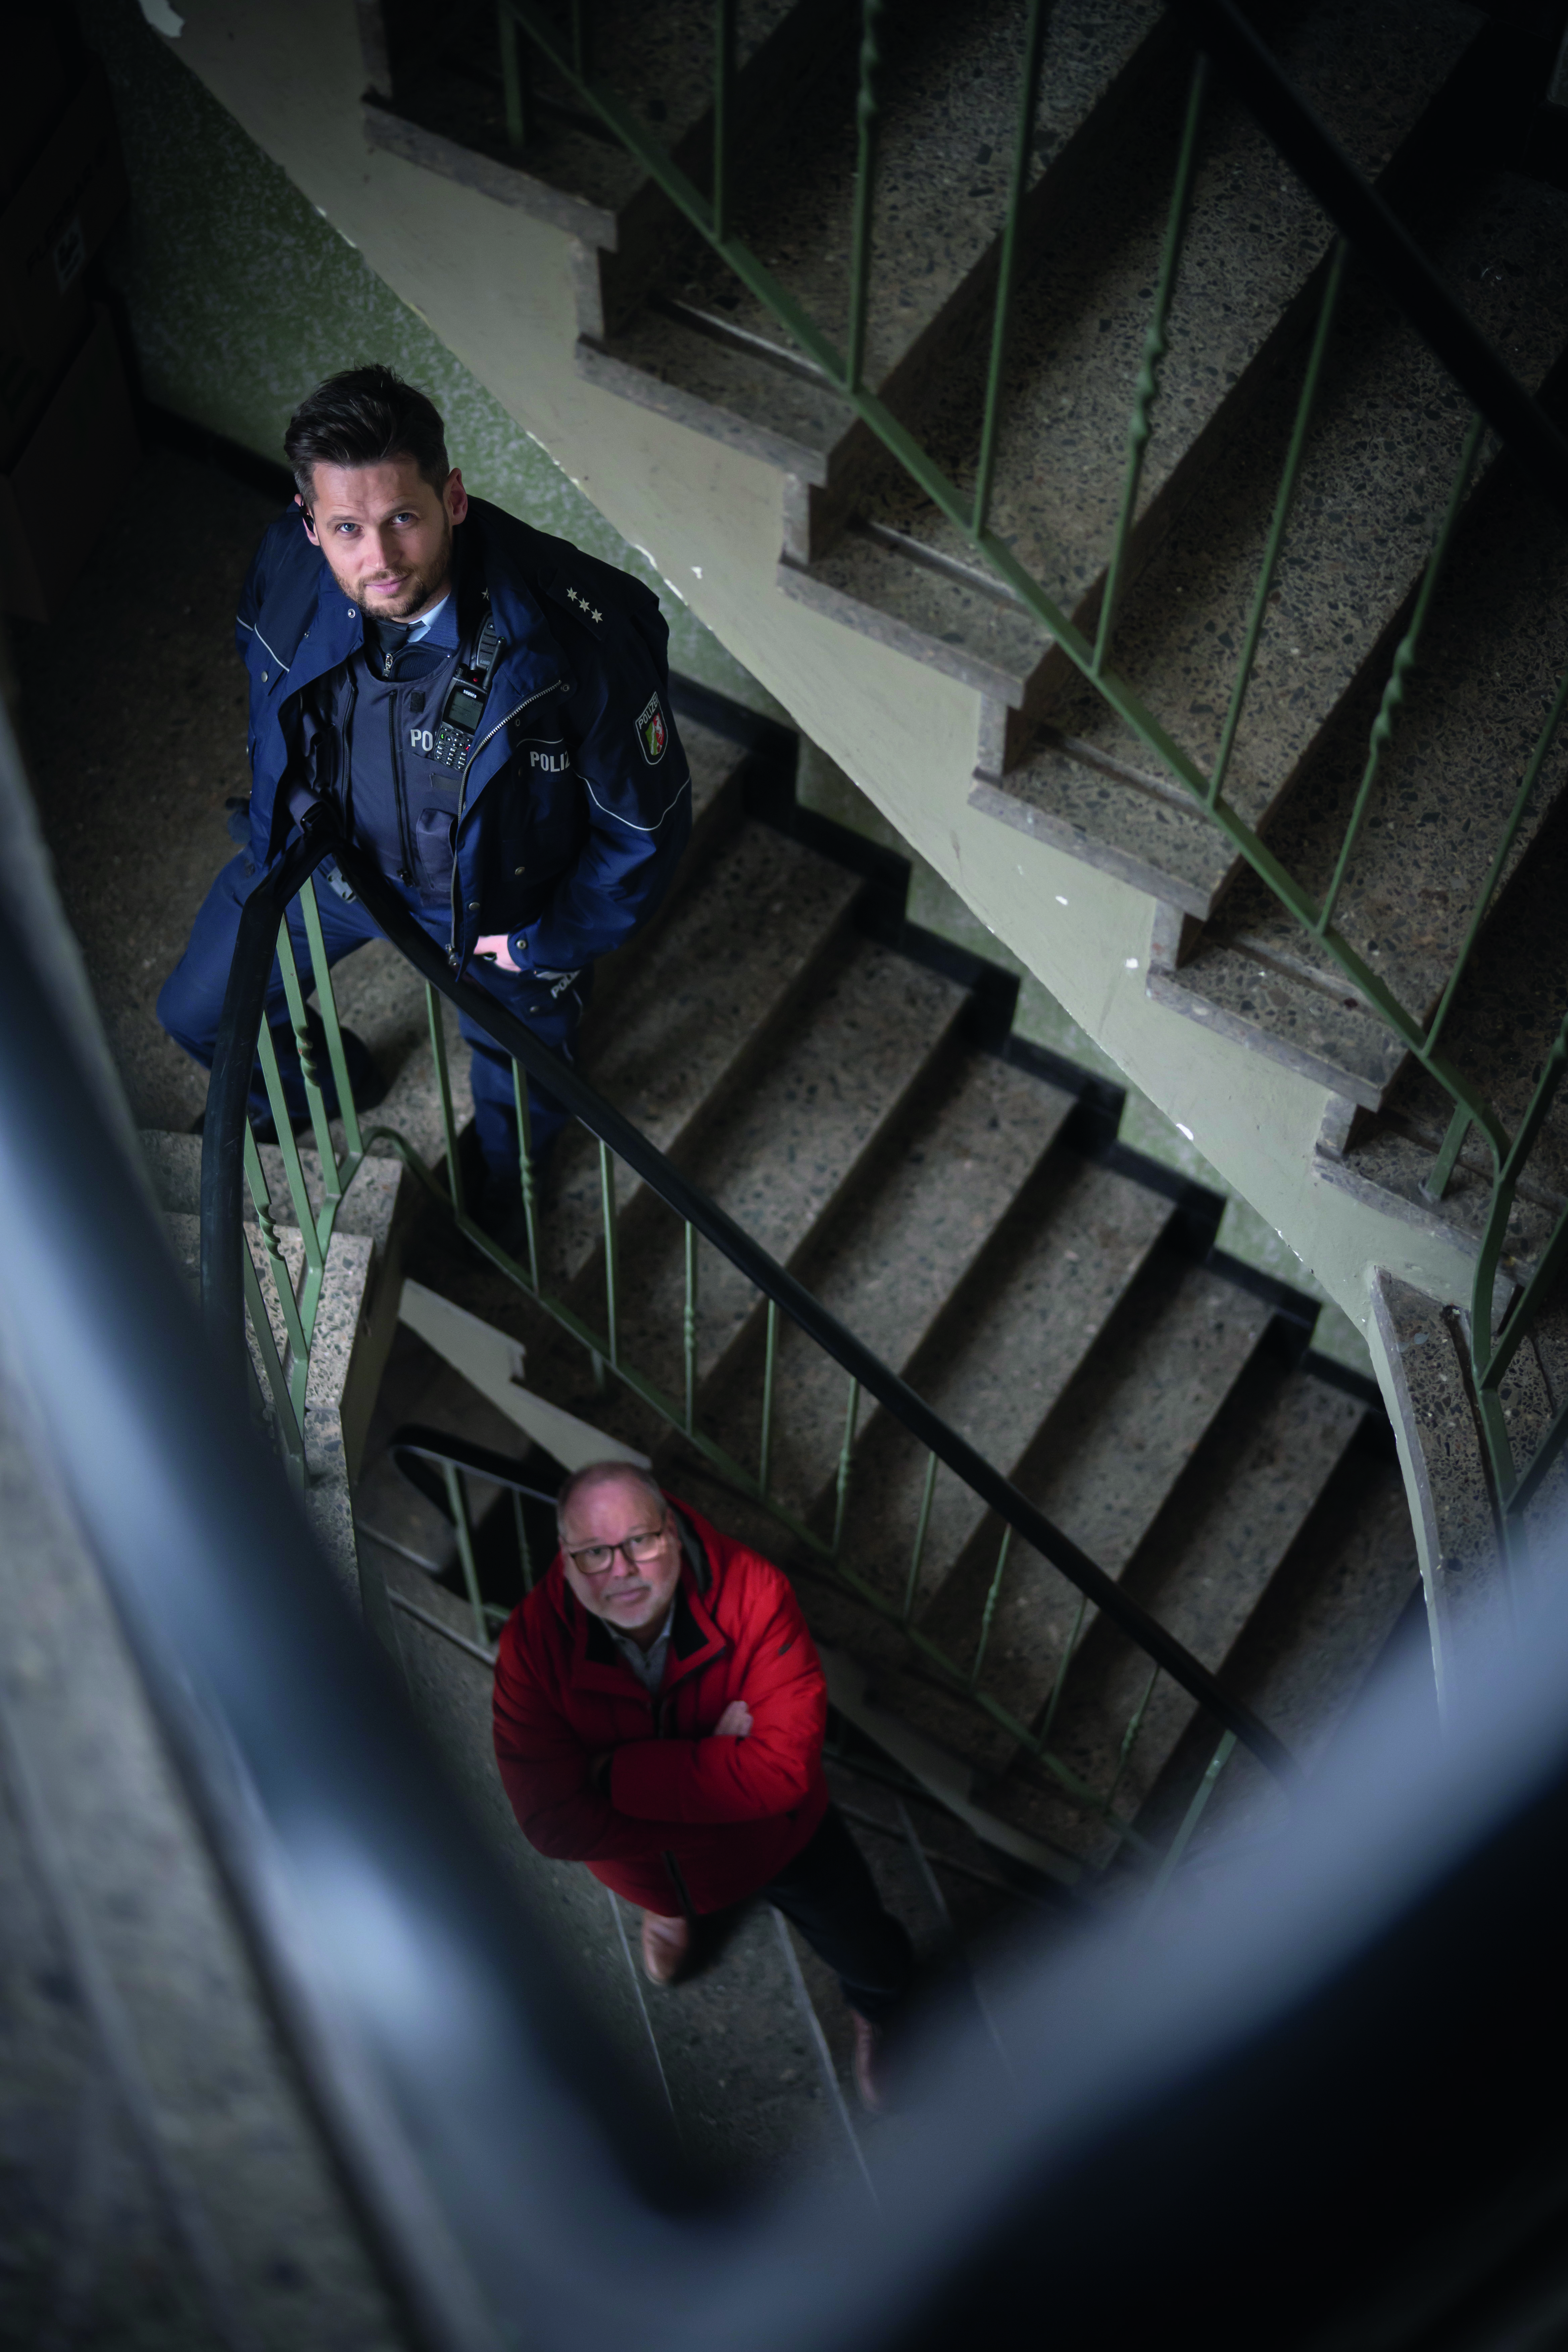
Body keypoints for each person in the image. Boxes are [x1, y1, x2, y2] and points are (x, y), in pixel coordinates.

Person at [157, 365, 692, 1220]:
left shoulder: (579, 642)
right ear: (310, 523)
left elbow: (645, 829)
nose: (378, 559)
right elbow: (270, 699)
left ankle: (504, 1187)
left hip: (492, 921)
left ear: (453, 497)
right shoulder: (289, 564)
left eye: (402, 518)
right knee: (193, 1011)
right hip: (323, 874)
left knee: (525, 1074)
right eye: (346, 528)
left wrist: (540, 944)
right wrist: (276, 831)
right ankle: (310, 1091)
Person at [492, 1461, 914, 2109]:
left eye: (641, 1542)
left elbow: (783, 1774)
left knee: (860, 1937)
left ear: (672, 1531)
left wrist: (612, 1775)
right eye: (595, 1553)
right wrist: (714, 1761)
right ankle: (675, 1906)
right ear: (567, 1556)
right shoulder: (530, 1646)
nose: (623, 1570)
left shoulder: (756, 1594)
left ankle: (883, 2007)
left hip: (783, 1841)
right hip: (666, 1861)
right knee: (674, 1875)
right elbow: (553, 1822)